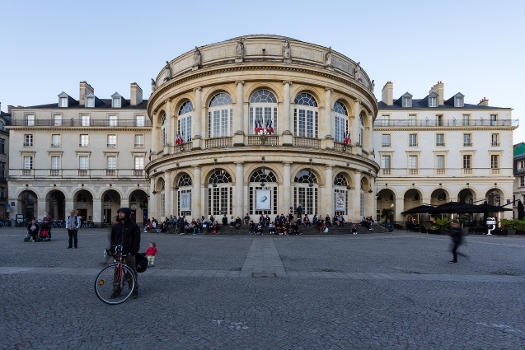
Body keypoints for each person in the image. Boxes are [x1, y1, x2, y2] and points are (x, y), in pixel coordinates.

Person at [110, 208, 141, 299]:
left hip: (129, 252)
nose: (119, 214)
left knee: (131, 271)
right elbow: (113, 239)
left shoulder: (133, 226)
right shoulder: (116, 226)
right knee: (117, 271)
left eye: (122, 213)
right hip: (118, 252)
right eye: (119, 213)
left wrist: (133, 251)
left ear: (127, 214)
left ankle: (134, 289)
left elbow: (137, 240)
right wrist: (112, 249)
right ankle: (116, 290)